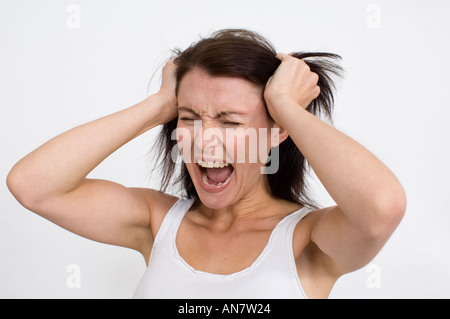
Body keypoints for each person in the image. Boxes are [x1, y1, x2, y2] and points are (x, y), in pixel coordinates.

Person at [6, 29, 406, 299]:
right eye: (189, 118)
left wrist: (285, 106)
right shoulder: (156, 221)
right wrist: (161, 104)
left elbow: (381, 209)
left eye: (230, 121)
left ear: (276, 133)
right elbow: (33, 185)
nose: (204, 139)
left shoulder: (308, 241)